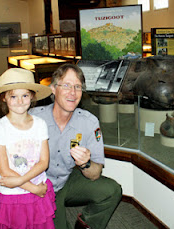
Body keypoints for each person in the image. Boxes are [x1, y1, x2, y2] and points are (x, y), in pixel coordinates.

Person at [30, 63, 122, 229]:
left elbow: (95, 173)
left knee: (112, 190)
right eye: (66, 85)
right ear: (53, 89)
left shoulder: (89, 122)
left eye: (77, 87)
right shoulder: (34, 119)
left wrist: (85, 163)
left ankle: (85, 225)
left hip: (66, 180)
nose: (72, 92)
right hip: (40, 187)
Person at [0, 68, 56, 229]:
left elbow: (44, 162)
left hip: (39, 187)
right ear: (4, 99)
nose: (20, 101)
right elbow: (5, 170)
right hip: (14, 195)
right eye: (13, 96)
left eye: (25, 95)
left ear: (32, 96)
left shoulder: (40, 124)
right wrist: (32, 188)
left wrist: (26, 183)